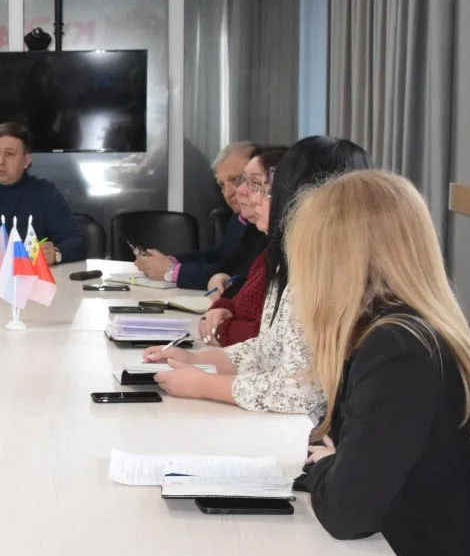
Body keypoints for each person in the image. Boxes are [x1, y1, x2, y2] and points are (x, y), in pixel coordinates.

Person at [290, 170, 470, 556]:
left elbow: (347, 512)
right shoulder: (403, 331)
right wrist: (333, 462)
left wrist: (327, 468)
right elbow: (328, 437)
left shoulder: (398, 350)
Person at [143, 136, 371, 417]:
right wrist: (195, 360)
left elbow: (302, 391)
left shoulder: (326, 273)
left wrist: (203, 384)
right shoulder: (287, 262)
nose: (250, 197)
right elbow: (268, 351)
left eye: (264, 187)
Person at [0, 121, 86, 264]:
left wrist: (57, 253)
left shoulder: (46, 192)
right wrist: (12, 255)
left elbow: (76, 242)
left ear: (26, 161)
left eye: (9, 154)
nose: (0, 161)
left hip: (32, 276)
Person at [197, 145, 288, 346]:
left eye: (256, 184)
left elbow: (269, 338)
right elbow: (234, 276)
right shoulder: (261, 241)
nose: (240, 191)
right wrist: (221, 308)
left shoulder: (294, 256)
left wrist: (221, 328)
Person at [135, 141, 255, 289]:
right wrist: (171, 262)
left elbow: (234, 274)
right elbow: (220, 257)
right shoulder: (239, 217)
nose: (228, 193)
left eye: (236, 180)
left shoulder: (264, 224)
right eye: (222, 185)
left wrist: (171, 272)